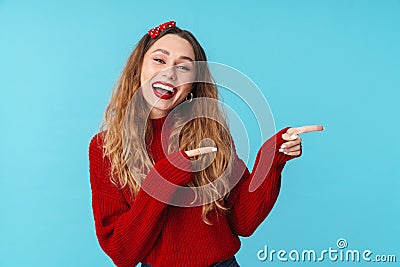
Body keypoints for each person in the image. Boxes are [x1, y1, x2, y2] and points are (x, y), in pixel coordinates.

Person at [88, 21, 324, 267]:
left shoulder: (211, 133)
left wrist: (271, 159)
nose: (170, 72)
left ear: (192, 84)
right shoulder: (105, 147)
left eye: (183, 67)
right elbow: (122, 253)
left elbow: (243, 222)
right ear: (138, 68)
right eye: (159, 60)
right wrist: (163, 179)